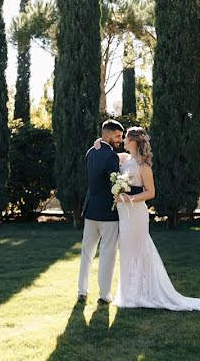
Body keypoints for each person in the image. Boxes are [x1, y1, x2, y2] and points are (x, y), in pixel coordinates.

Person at [99, 126, 200, 311]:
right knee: (127, 252)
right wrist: (99, 142)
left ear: (134, 142)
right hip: (124, 215)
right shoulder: (126, 158)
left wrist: (129, 198)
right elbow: (109, 151)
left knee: (137, 251)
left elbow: (151, 192)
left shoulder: (143, 166)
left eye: (126, 138)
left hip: (136, 215)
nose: (123, 141)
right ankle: (129, 294)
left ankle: (140, 294)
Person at [77, 119, 125, 305]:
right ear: (107, 135)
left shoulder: (91, 152)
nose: (120, 140)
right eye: (118, 136)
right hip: (107, 213)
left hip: (90, 211)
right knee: (107, 254)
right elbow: (116, 186)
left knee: (86, 252)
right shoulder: (111, 157)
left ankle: (82, 291)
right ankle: (104, 296)